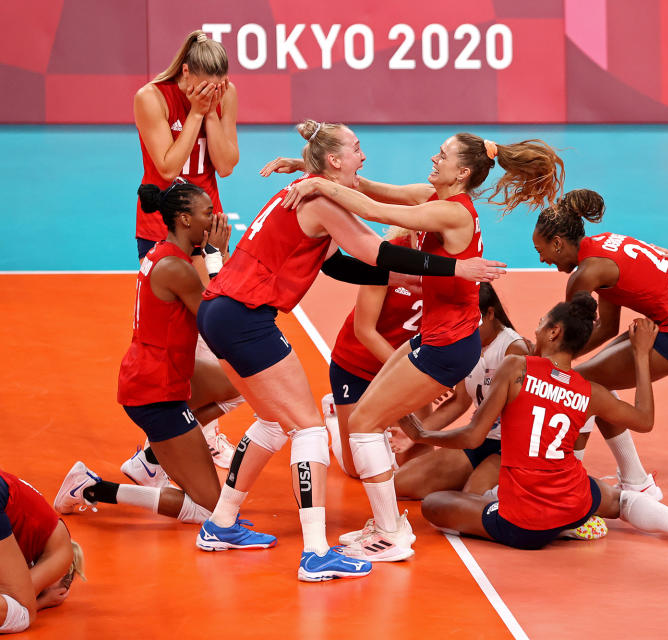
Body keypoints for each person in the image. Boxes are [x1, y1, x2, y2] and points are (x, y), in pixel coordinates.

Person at [193, 121, 506, 581]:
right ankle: (316, 553)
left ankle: (220, 523)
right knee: (311, 432)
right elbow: (372, 249)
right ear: (335, 160)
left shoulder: (310, 190)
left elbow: (338, 263)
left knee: (275, 423)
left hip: (220, 310)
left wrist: (401, 277)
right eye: (357, 148)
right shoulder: (319, 197)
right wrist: (456, 267)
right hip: (246, 317)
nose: (364, 156)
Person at [282, 133, 564, 562]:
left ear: (463, 172)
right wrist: (317, 172)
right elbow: (372, 190)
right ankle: (386, 525)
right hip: (436, 336)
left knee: (363, 426)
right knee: (364, 421)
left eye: (444, 155)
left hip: (448, 345)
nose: (434, 157)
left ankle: (391, 533)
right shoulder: (433, 196)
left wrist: (320, 187)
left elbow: (375, 212)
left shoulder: (451, 212)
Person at [398, 293, 668, 551]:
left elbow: (475, 435)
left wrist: (423, 432)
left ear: (554, 332)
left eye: (541, 324)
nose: (535, 330)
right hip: (574, 497)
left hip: (523, 521)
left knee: (435, 503)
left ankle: (560, 531)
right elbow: (645, 420)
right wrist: (640, 355)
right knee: (620, 501)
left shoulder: (517, 367)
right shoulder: (591, 391)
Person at [531, 188, 668, 499]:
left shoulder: (584, 275)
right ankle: (635, 478)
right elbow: (606, 328)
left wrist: (537, 364)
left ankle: (564, 487)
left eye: (541, 250)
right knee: (591, 377)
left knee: (583, 384)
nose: (543, 259)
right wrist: (551, 363)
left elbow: (569, 340)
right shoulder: (601, 249)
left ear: (558, 243)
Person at [54, 181, 231, 526]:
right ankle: (93, 487)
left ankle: (150, 459)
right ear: (183, 219)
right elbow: (220, 320)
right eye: (207, 213)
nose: (215, 219)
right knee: (212, 510)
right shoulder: (177, 268)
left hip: (160, 371)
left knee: (239, 383)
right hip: (156, 391)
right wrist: (217, 257)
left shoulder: (164, 254)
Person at [134, 29, 242, 462]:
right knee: (175, 332)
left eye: (221, 84)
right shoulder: (151, 97)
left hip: (208, 222)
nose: (215, 91)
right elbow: (167, 165)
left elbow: (228, 164)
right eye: (205, 84)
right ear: (185, 71)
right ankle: (162, 433)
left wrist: (212, 111)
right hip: (161, 222)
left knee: (212, 326)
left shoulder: (223, 93)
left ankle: (203, 430)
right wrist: (196, 112)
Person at [392, 283, 529, 500]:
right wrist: (413, 436)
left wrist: (426, 436)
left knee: (471, 501)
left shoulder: (515, 349)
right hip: (480, 440)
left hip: (510, 447)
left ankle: (503, 486)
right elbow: (459, 402)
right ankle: (480, 481)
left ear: (490, 313)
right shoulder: (468, 345)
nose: (466, 328)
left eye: (472, 320)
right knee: (399, 484)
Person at [324, 228, 426, 477]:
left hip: (405, 366)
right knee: (359, 470)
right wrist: (409, 372)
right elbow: (364, 331)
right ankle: (335, 417)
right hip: (357, 364)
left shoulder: (452, 264)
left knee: (418, 465)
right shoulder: (389, 256)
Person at [1, 469, 86, 635]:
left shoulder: (36, 534)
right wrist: (44, 601)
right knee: (21, 615)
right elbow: (21, 598)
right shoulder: (62, 553)